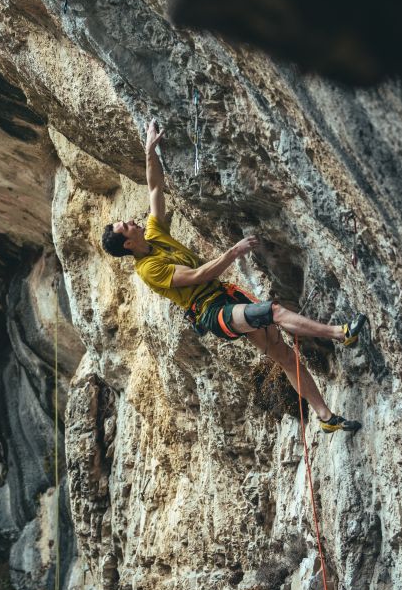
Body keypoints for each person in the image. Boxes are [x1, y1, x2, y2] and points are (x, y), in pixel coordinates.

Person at [100, 119, 367, 433]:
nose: (132, 221)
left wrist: (150, 150)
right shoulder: (149, 270)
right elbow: (198, 274)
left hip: (228, 297)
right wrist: (233, 252)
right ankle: (340, 333)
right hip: (214, 312)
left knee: (282, 353)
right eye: (125, 226)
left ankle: (325, 418)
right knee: (275, 312)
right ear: (128, 244)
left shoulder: (154, 235)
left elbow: (155, 187)